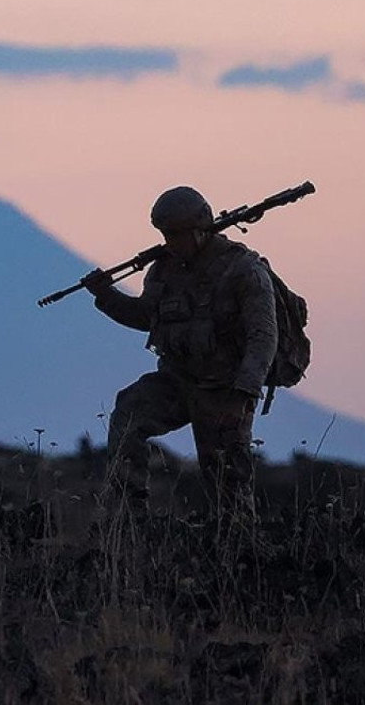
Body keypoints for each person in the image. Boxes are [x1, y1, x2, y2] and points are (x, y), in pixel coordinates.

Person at [83, 186, 278, 516]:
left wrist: (245, 389)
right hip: (176, 380)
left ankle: (239, 549)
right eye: (164, 234)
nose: (169, 242)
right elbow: (148, 317)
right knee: (128, 415)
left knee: (226, 482)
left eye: (175, 234)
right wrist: (107, 297)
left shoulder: (242, 270)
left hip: (224, 389)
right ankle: (131, 520)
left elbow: (264, 335)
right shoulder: (163, 269)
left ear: (200, 230)